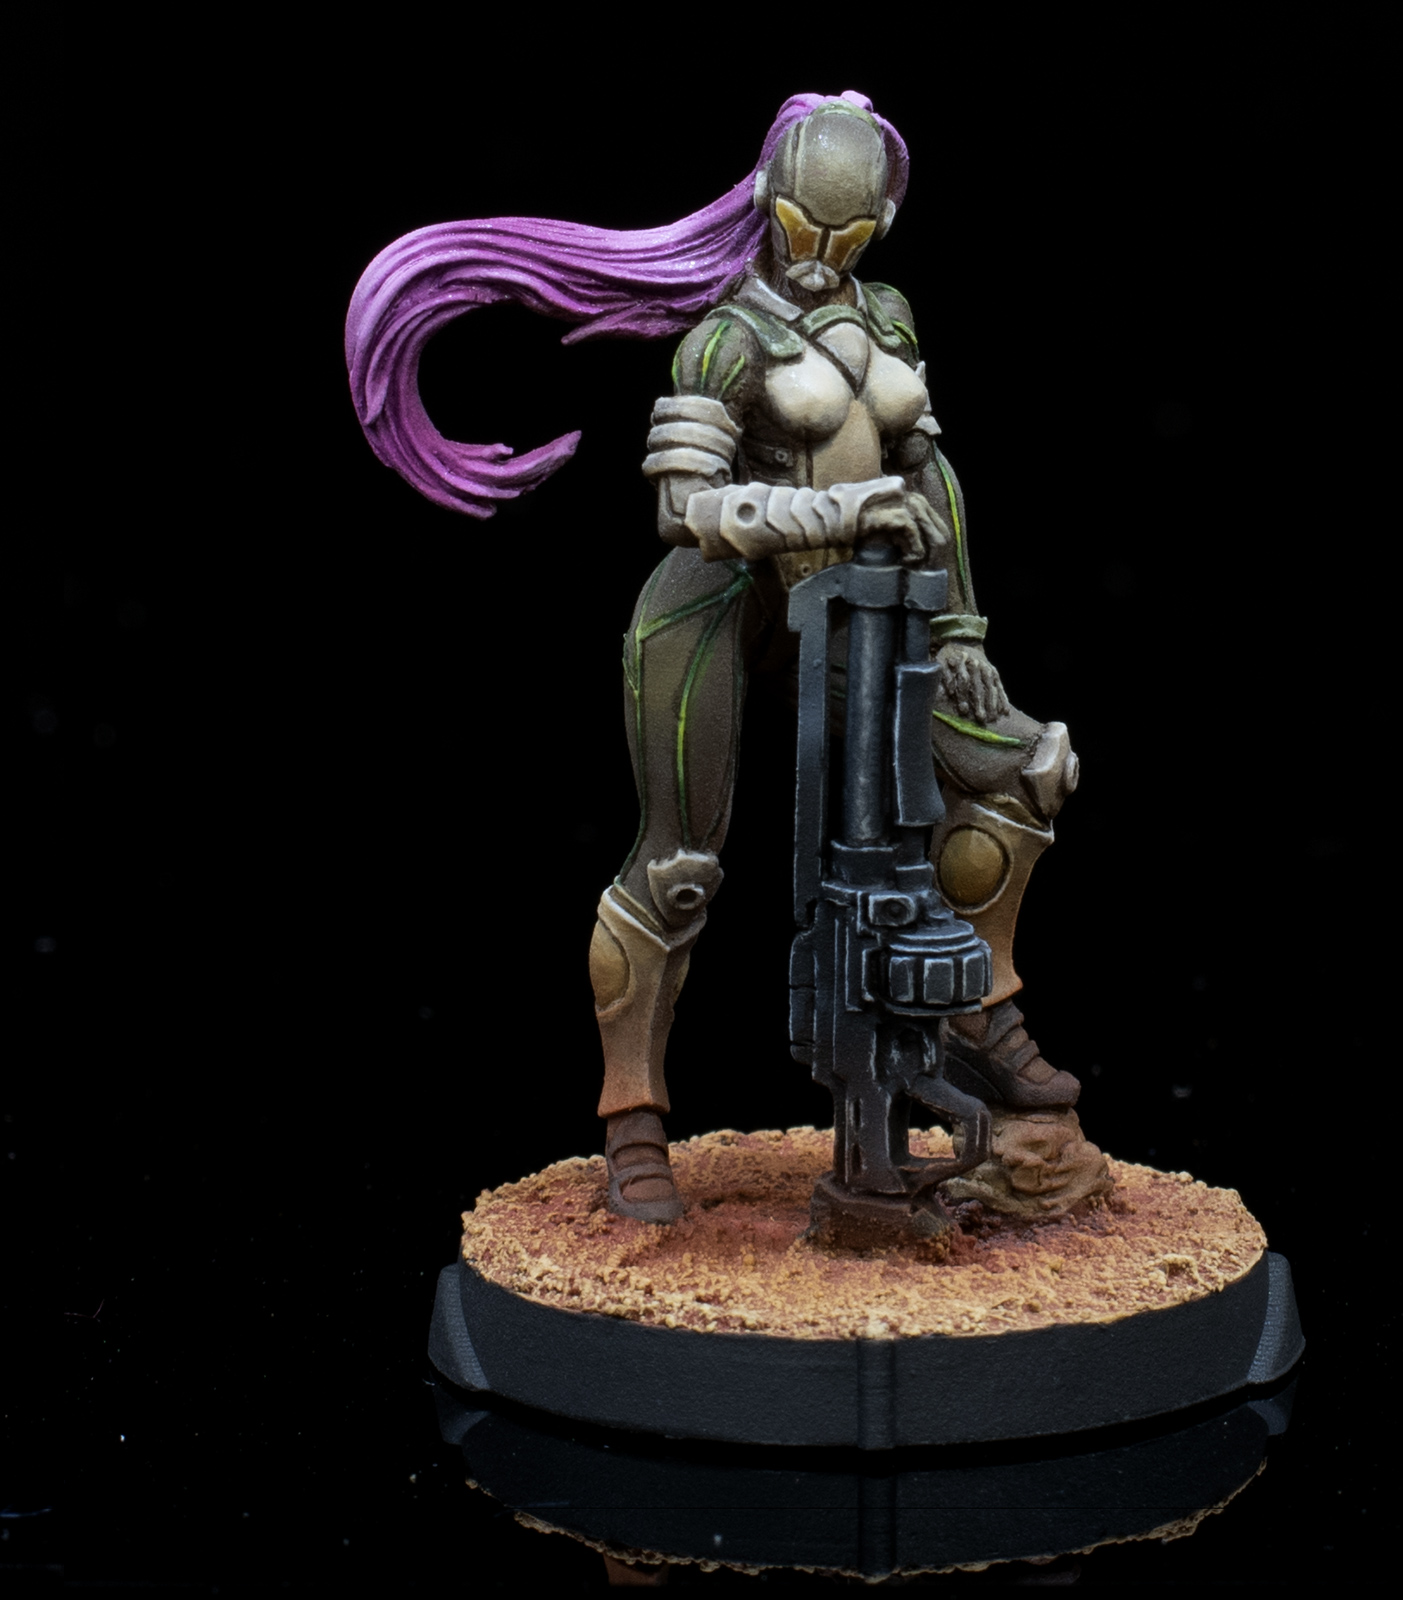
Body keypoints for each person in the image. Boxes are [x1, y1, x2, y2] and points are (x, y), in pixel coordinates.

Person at [346, 93, 1108, 1223]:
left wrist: (960, 630)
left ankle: (976, 1008)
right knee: (680, 866)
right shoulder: (727, 338)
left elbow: (929, 472)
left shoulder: (888, 318)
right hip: (720, 599)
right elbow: (685, 506)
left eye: (849, 234)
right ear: (766, 203)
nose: (821, 254)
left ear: (884, 223)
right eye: (804, 227)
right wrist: (837, 510)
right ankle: (632, 1115)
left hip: (867, 599)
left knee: (1027, 770)